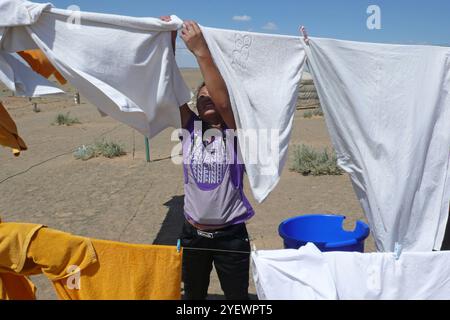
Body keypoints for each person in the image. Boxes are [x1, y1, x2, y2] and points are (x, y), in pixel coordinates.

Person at [160, 17, 255, 300]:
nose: (207, 99)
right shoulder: (189, 128)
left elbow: (224, 102)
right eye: (201, 97)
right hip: (192, 234)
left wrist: (201, 52)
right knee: (193, 296)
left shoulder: (236, 132)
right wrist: (168, 43)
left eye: (211, 94)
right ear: (196, 105)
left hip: (231, 238)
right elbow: (169, 91)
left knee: (236, 298)